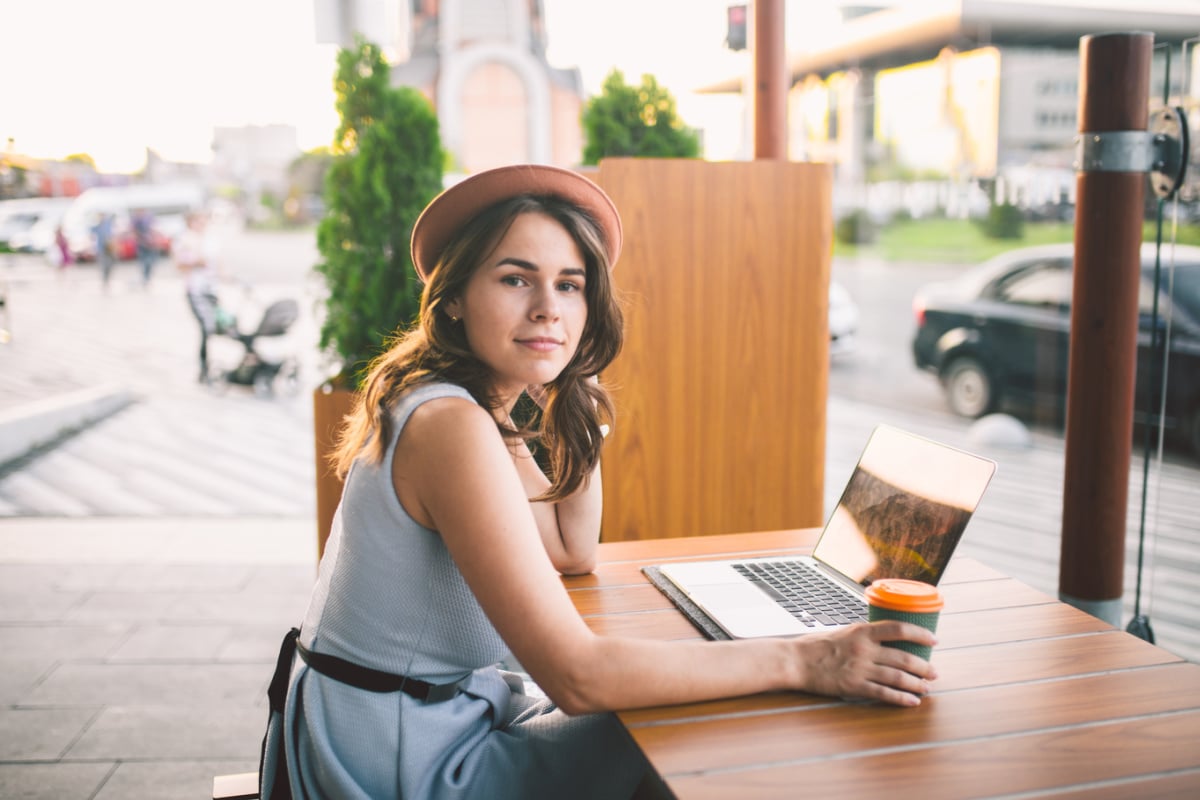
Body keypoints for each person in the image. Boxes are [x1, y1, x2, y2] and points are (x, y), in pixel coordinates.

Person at [271, 165, 937, 799]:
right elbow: (575, 677)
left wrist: (574, 391)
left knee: (696, 697)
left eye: (570, 285)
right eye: (515, 279)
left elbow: (569, 548)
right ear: (451, 302)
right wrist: (805, 660)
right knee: (699, 719)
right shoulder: (450, 426)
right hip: (405, 766)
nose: (547, 309)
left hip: (401, 726)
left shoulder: (469, 406)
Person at [174, 210, 222, 382]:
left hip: (211, 289)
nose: (201, 225)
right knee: (205, 328)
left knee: (216, 327)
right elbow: (179, 264)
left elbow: (217, 263)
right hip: (195, 290)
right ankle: (203, 368)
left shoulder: (209, 240)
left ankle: (207, 367)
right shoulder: (185, 240)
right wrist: (196, 262)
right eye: (198, 221)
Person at [131, 207, 158, 286]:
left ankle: (146, 278)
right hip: (142, 244)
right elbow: (134, 232)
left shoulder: (149, 219)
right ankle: (145, 278)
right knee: (144, 262)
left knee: (150, 262)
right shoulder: (136, 221)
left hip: (150, 244)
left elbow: (154, 229)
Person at [91, 212, 115, 289]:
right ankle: (105, 281)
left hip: (110, 249)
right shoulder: (97, 226)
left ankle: (107, 279)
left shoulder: (108, 224)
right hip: (101, 249)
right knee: (103, 265)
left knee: (110, 265)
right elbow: (91, 231)